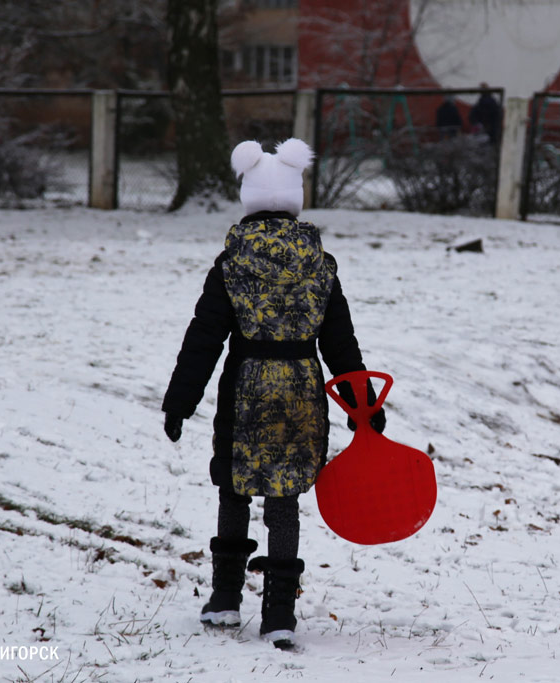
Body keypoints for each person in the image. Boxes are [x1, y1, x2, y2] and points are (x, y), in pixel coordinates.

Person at [161, 137, 385, 650]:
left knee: (234, 487)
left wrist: (180, 401)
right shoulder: (319, 264)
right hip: (302, 389)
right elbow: (340, 341)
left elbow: (204, 338)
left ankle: (224, 598)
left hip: (246, 384)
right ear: (295, 198)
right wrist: (362, 404)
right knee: (284, 497)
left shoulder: (231, 261)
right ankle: (279, 612)